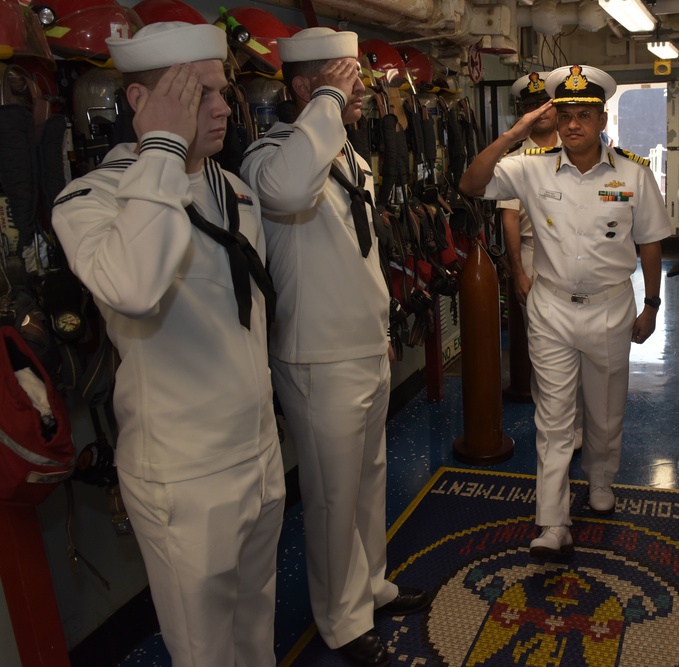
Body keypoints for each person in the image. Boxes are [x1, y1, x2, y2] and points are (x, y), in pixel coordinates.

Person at [51, 21, 285, 667]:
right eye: (195, 93)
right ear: (138, 104)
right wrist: (159, 144)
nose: (220, 107)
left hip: (258, 452)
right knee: (206, 652)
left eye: (222, 90)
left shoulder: (231, 189)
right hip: (185, 476)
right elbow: (135, 285)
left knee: (254, 631)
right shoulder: (93, 201)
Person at [240, 28, 430, 667]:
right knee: (330, 497)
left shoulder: (350, 158)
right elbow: (292, 192)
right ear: (302, 89)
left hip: (363, 346)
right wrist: (324, 101)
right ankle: (341, 621)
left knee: (369, 481)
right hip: (316, 358)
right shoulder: (271, 160)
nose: (357, 91)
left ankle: (370, 585)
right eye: (342, 78)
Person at [460, 64, 672, 559]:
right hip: (551, 307)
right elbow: (471, 183)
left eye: (584, 115)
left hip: (610, 308)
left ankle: (601, 481)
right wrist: (513, 133)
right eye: (565, 115)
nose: (573, 124)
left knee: (604, 411)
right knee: (553, 419)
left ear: (601, 119)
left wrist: (653, 305)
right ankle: (552, 521)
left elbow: (651, 244)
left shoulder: (633, 174)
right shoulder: (529, 167)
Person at [498, 71, 584, 450]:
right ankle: (553, 426)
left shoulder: (577, 149)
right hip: (535, 254)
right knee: (544, 350)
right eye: (533, 105)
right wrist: (518, 271)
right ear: (524, 112)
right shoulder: (516, 160)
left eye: (547, 103)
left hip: (578, 255)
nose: (541, 111)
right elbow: (510, 218)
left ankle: (578, 426)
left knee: (581, 343)